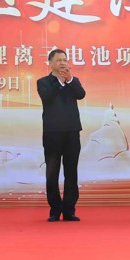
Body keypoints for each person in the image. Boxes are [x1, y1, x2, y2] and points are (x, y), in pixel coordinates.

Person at [37, 49, 86, 222]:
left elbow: (81, 95)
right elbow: (47, 98)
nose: (63, 63)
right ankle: (55, 210)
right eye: (59, 60)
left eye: (65, 60)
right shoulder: (43, 82)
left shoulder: (74, 81)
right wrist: (60, 82)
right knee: (52, 172)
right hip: (52, 133)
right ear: (50, 63)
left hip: (72, 132)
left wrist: (69, 80)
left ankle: (69, 210)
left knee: (71, 171)